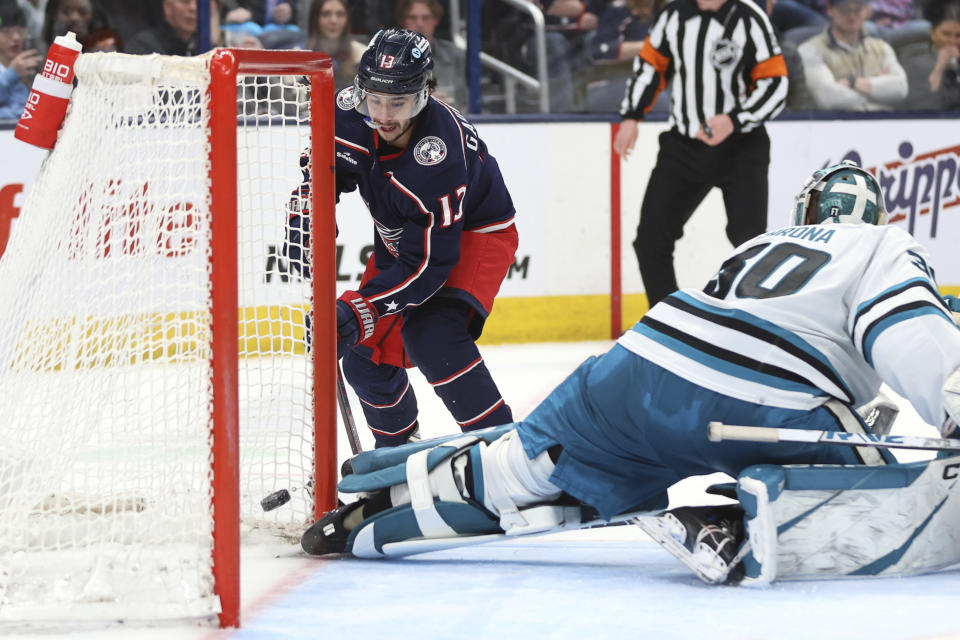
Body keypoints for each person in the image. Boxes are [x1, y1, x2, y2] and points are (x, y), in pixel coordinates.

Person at [300, 160, 960, 587]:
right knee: (886, 465)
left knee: (519, 462)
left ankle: (360, 513)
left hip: (634, 366)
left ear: (808, 208)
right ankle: (744, 520)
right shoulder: (884, 245)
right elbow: (913, 341)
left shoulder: (762, 243)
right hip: (762, 401)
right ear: (876, 216)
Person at [284, 29, 518, 448]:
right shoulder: (348, 112)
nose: (385, 115)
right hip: (403, 234)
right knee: (364, 360)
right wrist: (307, 212)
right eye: (374, 99)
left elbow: (428, 267)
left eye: (400, 102)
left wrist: (361, 310)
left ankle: (506, 452)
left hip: (472, 237)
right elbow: (320, 174)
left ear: (425, 95)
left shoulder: (438, 157)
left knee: (432, 335)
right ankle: (396, 458)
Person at [613, 0, 788, 310]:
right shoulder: (672, 16)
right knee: (651, 240)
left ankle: (759, 319)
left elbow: (776, 84)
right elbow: (650, 67)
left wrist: (734, 119)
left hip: (742, 147)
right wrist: (631, 116)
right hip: (685, 146)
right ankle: (669, 323)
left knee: (748, 240)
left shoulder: (749, 17)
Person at [798, 0, 908, 110]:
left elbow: (901, 89)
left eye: (857, 9)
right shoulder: (810, 50)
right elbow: (827, 98)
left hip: (886, 123)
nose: (851, 15)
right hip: (837, 124)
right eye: (844, 9)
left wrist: (852, 83)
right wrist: (879, 90)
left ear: (866, 10)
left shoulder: (882, 48)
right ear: (830, 9)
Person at [395, 0, 467, 109]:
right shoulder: (388, 57)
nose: (420, 24)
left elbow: (467, 103)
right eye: (413, 18)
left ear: (435, 20)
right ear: (403, 21)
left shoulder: (455, 55)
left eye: (426, 18)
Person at [900, 0, 960, 110]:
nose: (952, 41)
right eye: (946, 34)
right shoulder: (913, 64)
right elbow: (917, 105)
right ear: (933, 33)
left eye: (958, 36)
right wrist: (939, 68)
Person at [305, 0, 365, 89]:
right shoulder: (300, 56)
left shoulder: (363, 54)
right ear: (315, 18)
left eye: (340, 14)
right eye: (326, 14)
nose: (333, 21)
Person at [0, 3, 40, 119]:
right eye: (7, 31)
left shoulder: (28, 62)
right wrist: (11, 74)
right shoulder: (15, 69)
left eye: (20, 31)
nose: (16, 37)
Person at [126, 0, 200, 55]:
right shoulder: (143, 45)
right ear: (167, 7)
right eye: (185, 1)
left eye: (198, 3)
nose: (193, 8)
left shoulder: (206, 47)